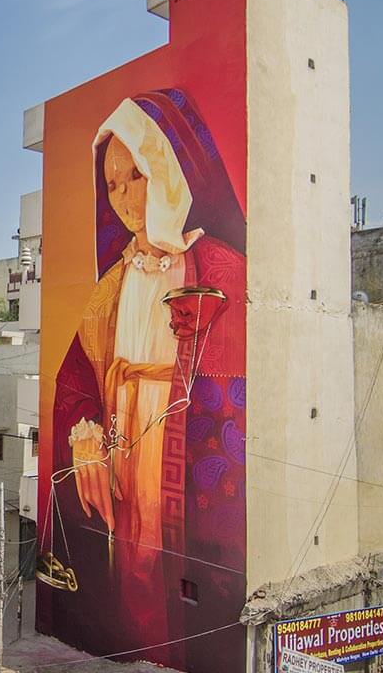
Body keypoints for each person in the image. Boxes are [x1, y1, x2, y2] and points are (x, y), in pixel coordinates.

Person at [49, 90, 247, 669]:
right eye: (113, 185)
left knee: (174, 569)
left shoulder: (221, 270)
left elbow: (237, 390)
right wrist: (85, 433)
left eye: (135, 176)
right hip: (123, 445)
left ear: (168, 167)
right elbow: (75, 380)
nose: (125, 198)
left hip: (176, 448)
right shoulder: (112, 285)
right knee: (129, 562)